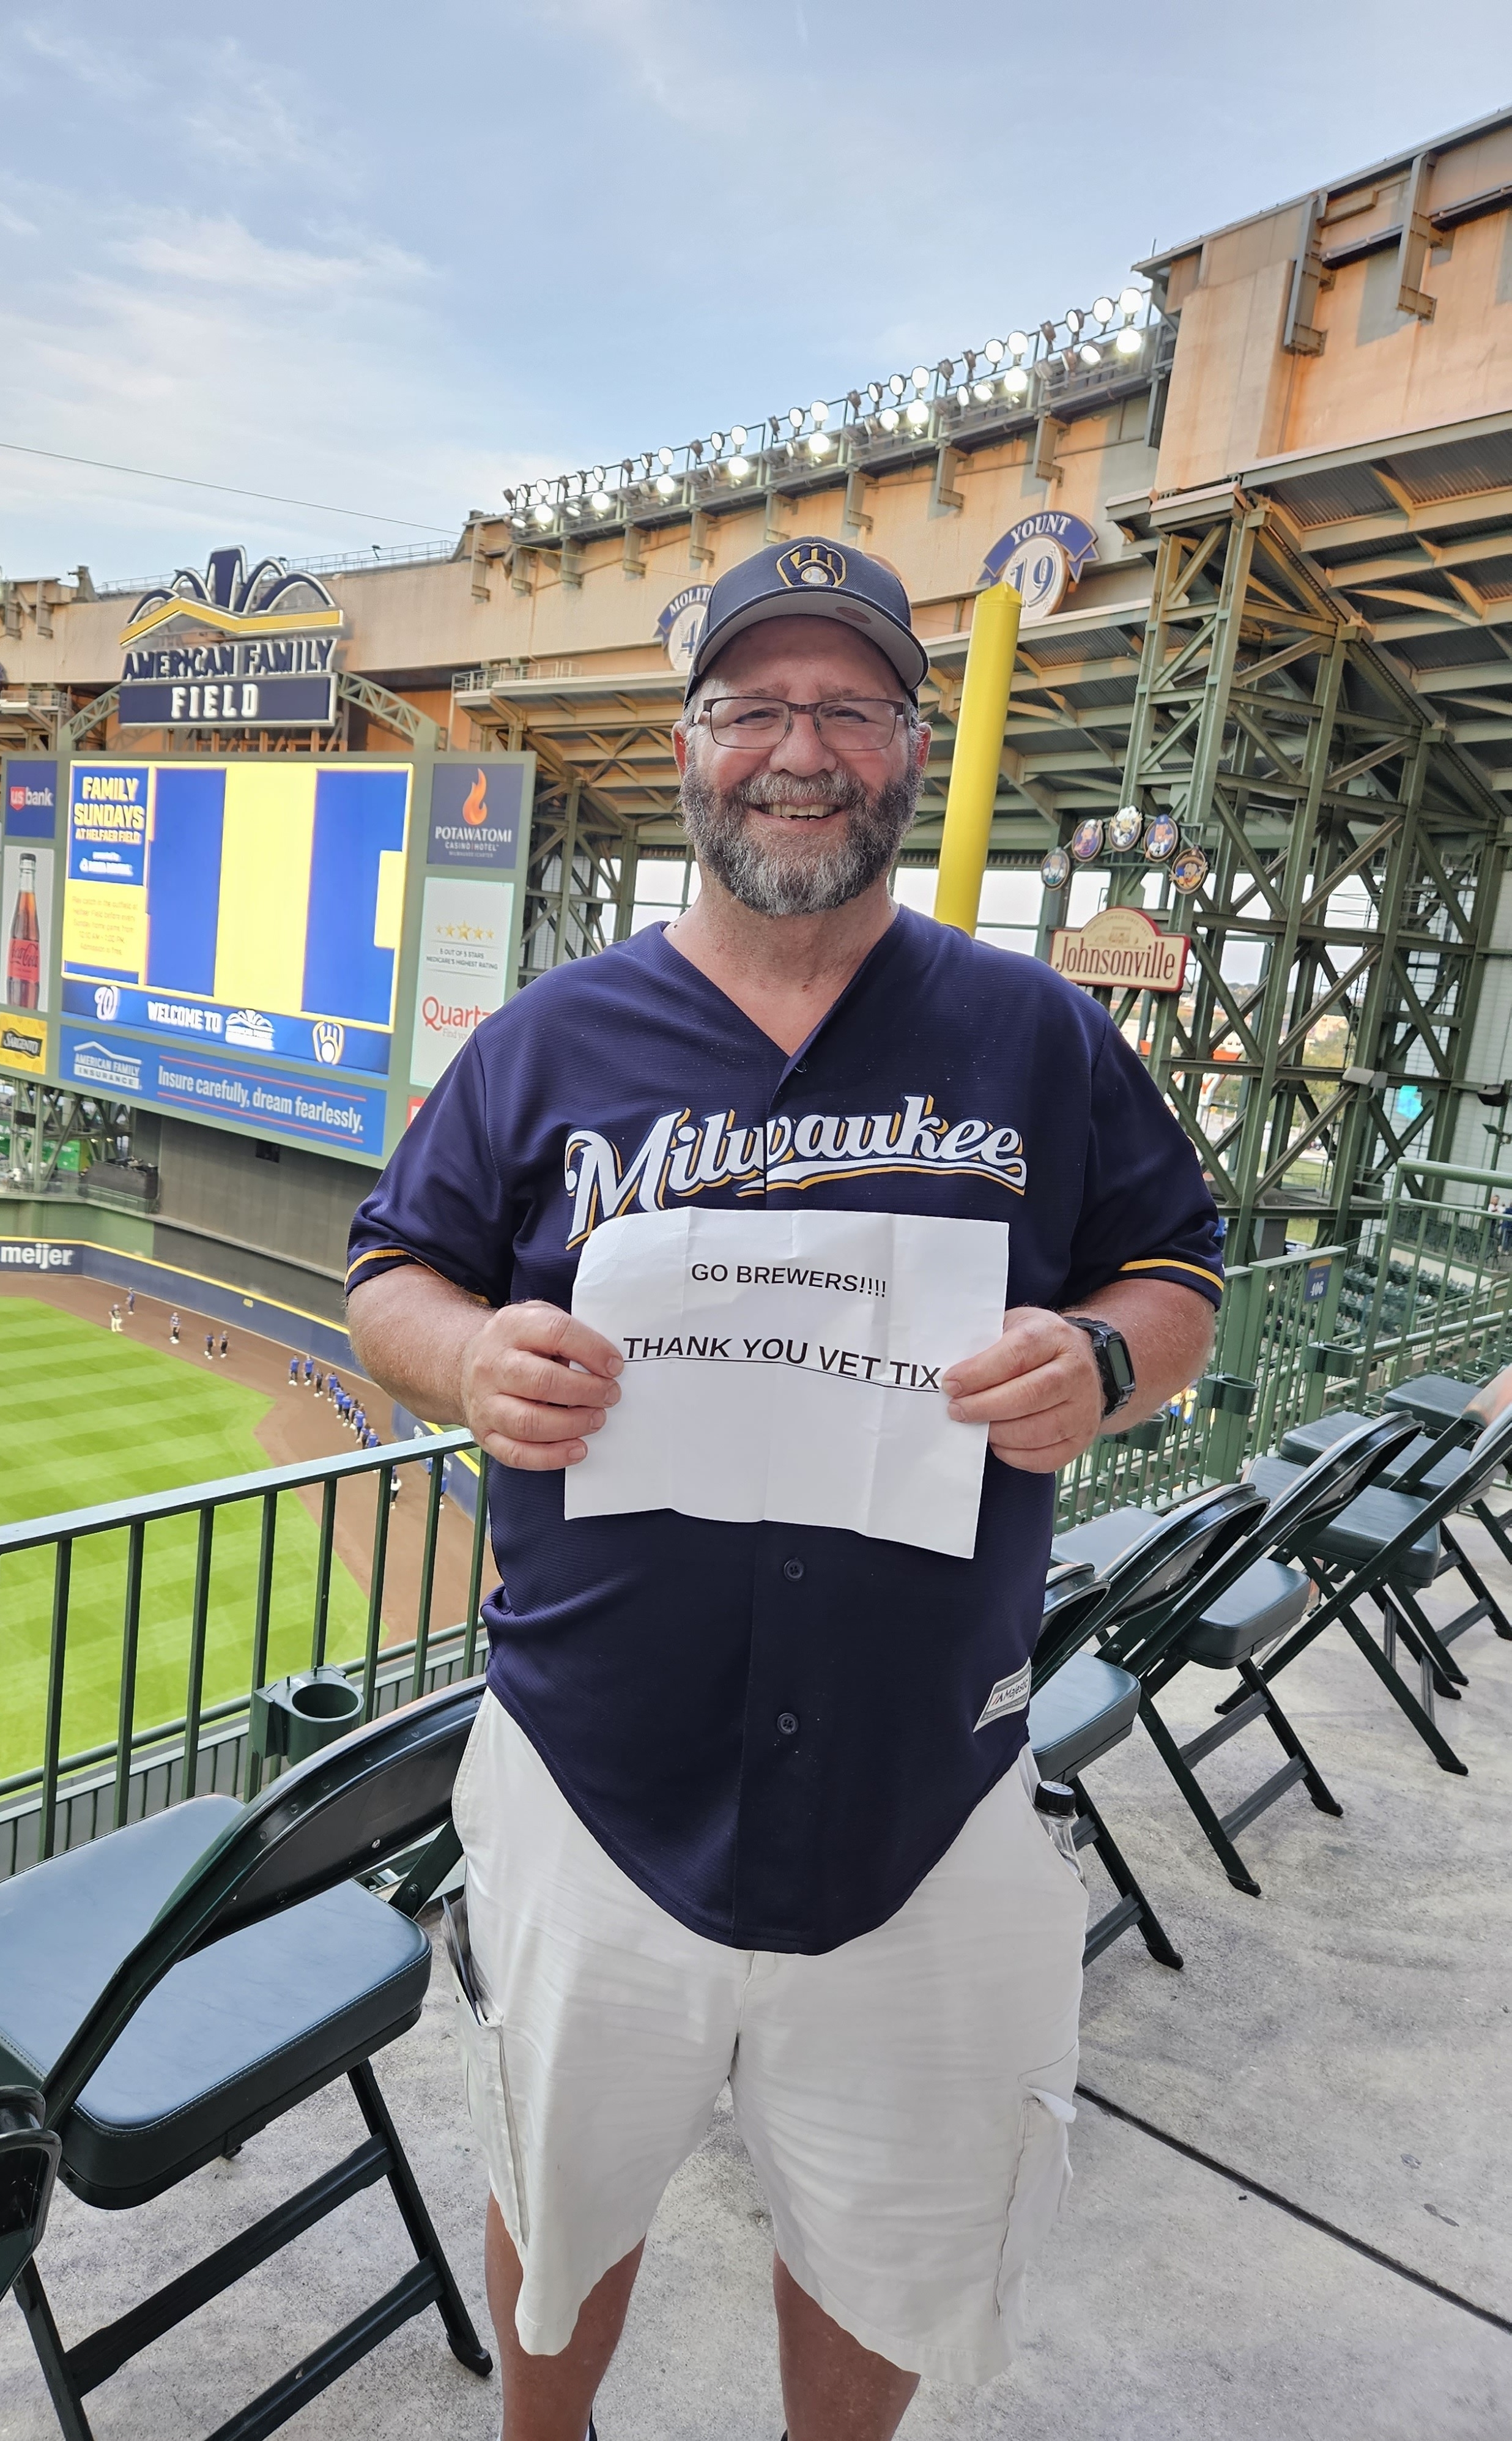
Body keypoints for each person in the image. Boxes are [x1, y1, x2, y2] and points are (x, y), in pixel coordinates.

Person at [346, 536, 1223, 2441]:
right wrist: (470, 1358)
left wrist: (1101, 1362)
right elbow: (390, 1275)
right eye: (756, 707)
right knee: (558, 2203)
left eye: (847, 707)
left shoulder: (1038, 1034)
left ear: (912, 748)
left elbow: (1182, 1282)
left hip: (932, 1776)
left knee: (891, 2228)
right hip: (593, 1768)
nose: (797, 750)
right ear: (692, 745)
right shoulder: (549, 1037)